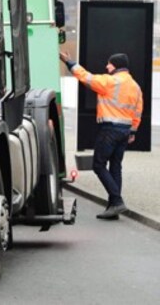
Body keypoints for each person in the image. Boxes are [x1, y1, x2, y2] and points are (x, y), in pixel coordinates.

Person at [60, 51, 143, 220]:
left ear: (116, 66)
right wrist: (133, 131)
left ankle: (117, 201)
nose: (107, 67)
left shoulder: (111, 81)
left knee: (98, 165)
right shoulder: (135, 86)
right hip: (125, 131)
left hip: (110, 130)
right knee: (115, 167)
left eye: (109, 64)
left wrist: (69, 62)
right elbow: (138, 110)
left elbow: (86, 78)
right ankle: (113, 207)